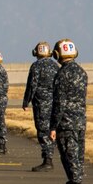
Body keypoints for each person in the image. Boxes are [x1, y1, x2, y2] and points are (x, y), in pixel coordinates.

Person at [49, 39, 87, 184]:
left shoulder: (62, 74)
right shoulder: (82, 72)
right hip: (80, 122)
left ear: (57, 54)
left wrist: (53, 126)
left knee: (69, 159)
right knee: (78, 158)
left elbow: (59, 103)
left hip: (66, 123)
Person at [23, 41, 60, 171]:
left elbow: (32, 85)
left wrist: (26, 101)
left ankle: (47, 160)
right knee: (52, 129)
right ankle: (50, 156)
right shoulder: (56, 66)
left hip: (41, 103)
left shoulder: (36, 66)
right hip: (55, 102)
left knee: (43, 131)